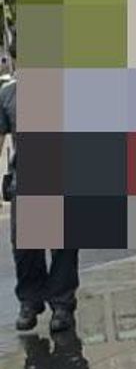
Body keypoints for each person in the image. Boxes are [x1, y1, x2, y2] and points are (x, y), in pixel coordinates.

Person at [0, 72, 79, 332]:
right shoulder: (8, 94)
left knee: (64, 245)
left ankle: (62, 305)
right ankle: (30, 301)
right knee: (24, 246)